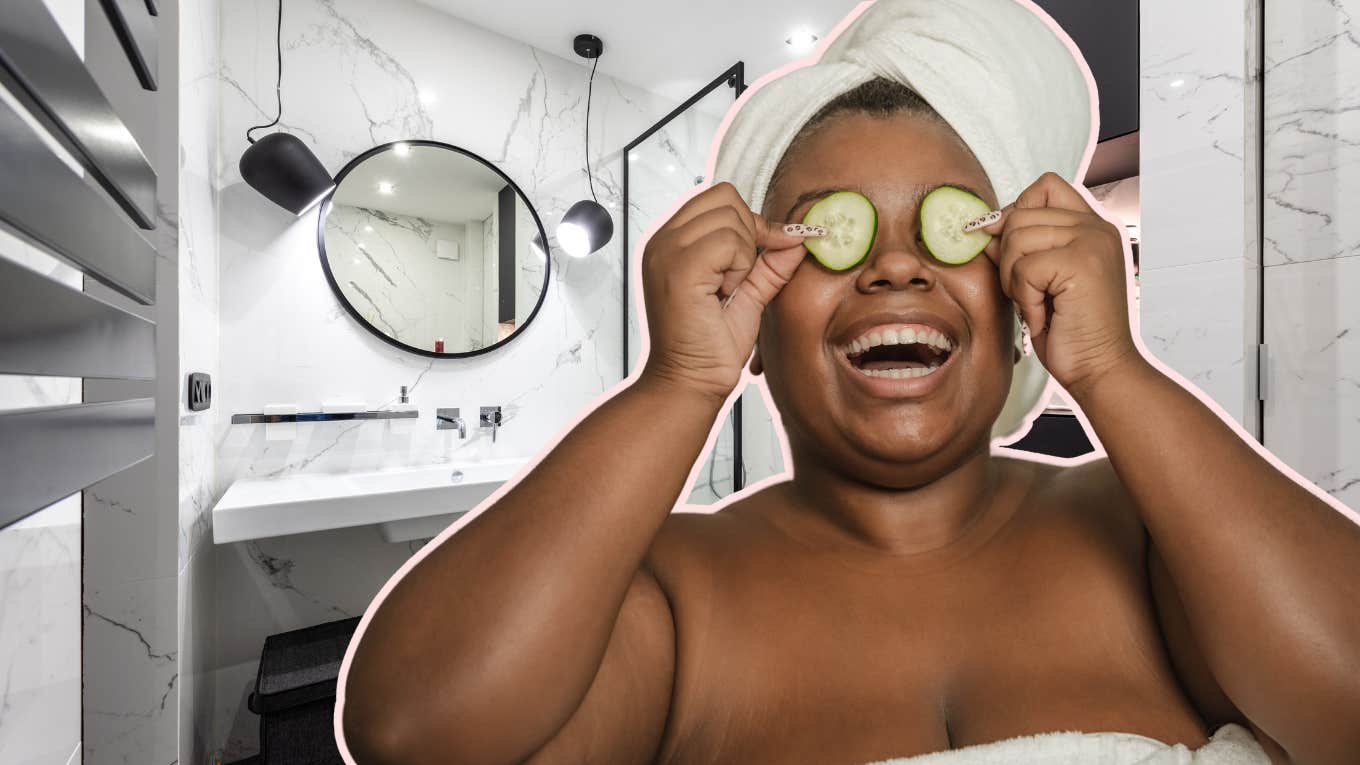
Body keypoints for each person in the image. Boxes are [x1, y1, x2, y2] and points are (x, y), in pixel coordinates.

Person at [339, 9, 1360, 765]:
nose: (898, 265)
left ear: (1015, 295)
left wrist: (1113, 369)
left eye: (953, 226)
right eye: (834, 230)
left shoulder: (1151, 532)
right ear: (751, 306)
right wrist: (678, 384)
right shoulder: (666, 594)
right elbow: (417, 735)